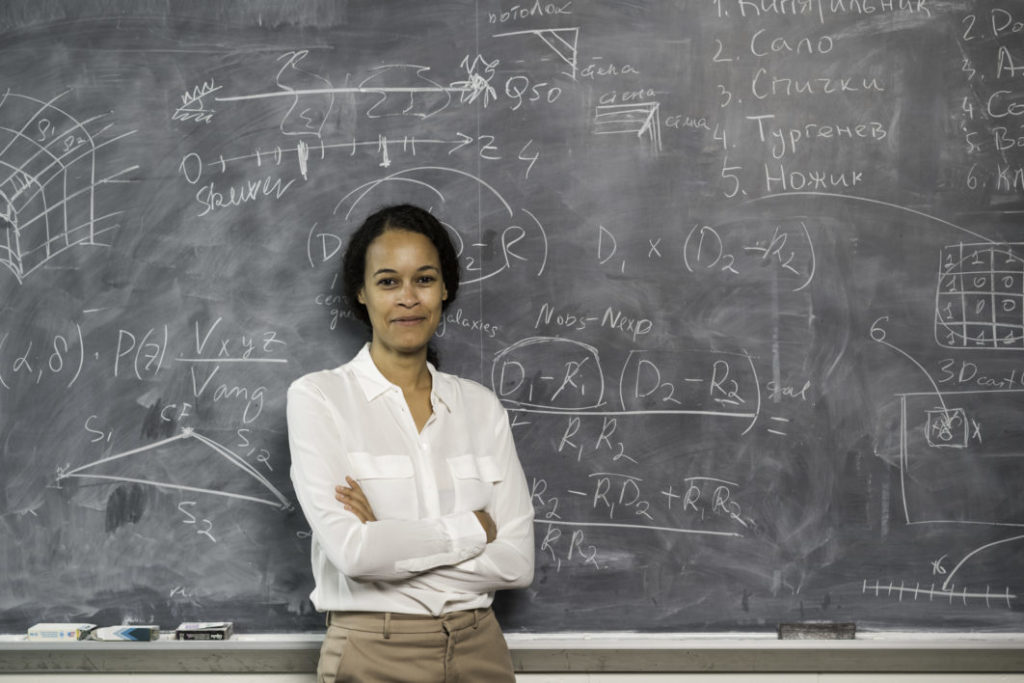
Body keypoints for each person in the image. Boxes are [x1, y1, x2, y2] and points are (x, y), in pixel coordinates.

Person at [287, 204, 535, 683]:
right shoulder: (319, 398)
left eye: (423, 279)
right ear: (360, 293)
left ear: (445, 289)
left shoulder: (481, 408)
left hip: (480, 649)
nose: (408, 298)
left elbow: (517, 563)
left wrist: (390, 540)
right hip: (373, 653)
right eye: (387, 282)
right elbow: (356, 555)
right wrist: (473, 529)